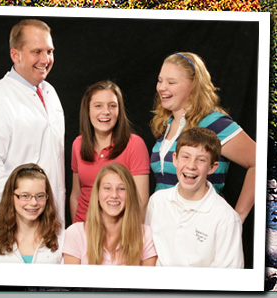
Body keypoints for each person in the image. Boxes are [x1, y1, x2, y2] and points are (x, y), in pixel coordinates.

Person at [0, 19, 65, 229]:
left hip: (51, 221)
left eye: (50, 51)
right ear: (15, 54)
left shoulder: (50, 93)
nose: (46, 59)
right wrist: (29, 207)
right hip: (11, 224)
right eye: (37, 51)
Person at [150, 52, 255, 223]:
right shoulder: (165, 124)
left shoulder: (214, 123)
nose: (161, 87)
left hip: (201, 229)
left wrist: (238, 217)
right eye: (160, 80)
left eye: (171, 82)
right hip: (162, 229)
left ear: (193, 85)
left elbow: (259, 160)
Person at [145, 127, 244, 268]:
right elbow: (147, 253)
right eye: (185, 157)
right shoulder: (157, 201)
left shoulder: (226, 218)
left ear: (212, 167)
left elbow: (228, 279)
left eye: (201, 160)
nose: (191, 166)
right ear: (175, 159)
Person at [70, 80, 149, 223]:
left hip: (119, 233)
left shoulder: (134, 144)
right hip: (83, 229)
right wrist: (76, 230)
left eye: (112, 106)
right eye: (98, 106)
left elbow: (141, 201)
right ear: (88, 110)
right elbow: (76, 195)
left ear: (119, 110)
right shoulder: (78, 144)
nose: (105, 112)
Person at [63, 163, 157, 265]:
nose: (114, 195)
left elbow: (148, 280)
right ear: (97, 194)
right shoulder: (75, 233)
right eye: (107, 188)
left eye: (121, 189)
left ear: (130, 194)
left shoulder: (146, 235)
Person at [0, 163, 63, 264]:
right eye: (25, 195)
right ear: (11, 197)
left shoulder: (62, 238)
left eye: (40, 196)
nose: (33, 203)